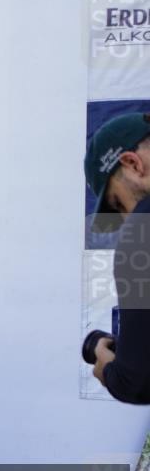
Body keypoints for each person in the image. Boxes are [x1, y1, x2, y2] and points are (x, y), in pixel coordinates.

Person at [85, 111, 150, 404]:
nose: (125, 220)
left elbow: (137, 381)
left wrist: (108, 369)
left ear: (133, 163)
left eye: (119, 205)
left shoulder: (141, 227)